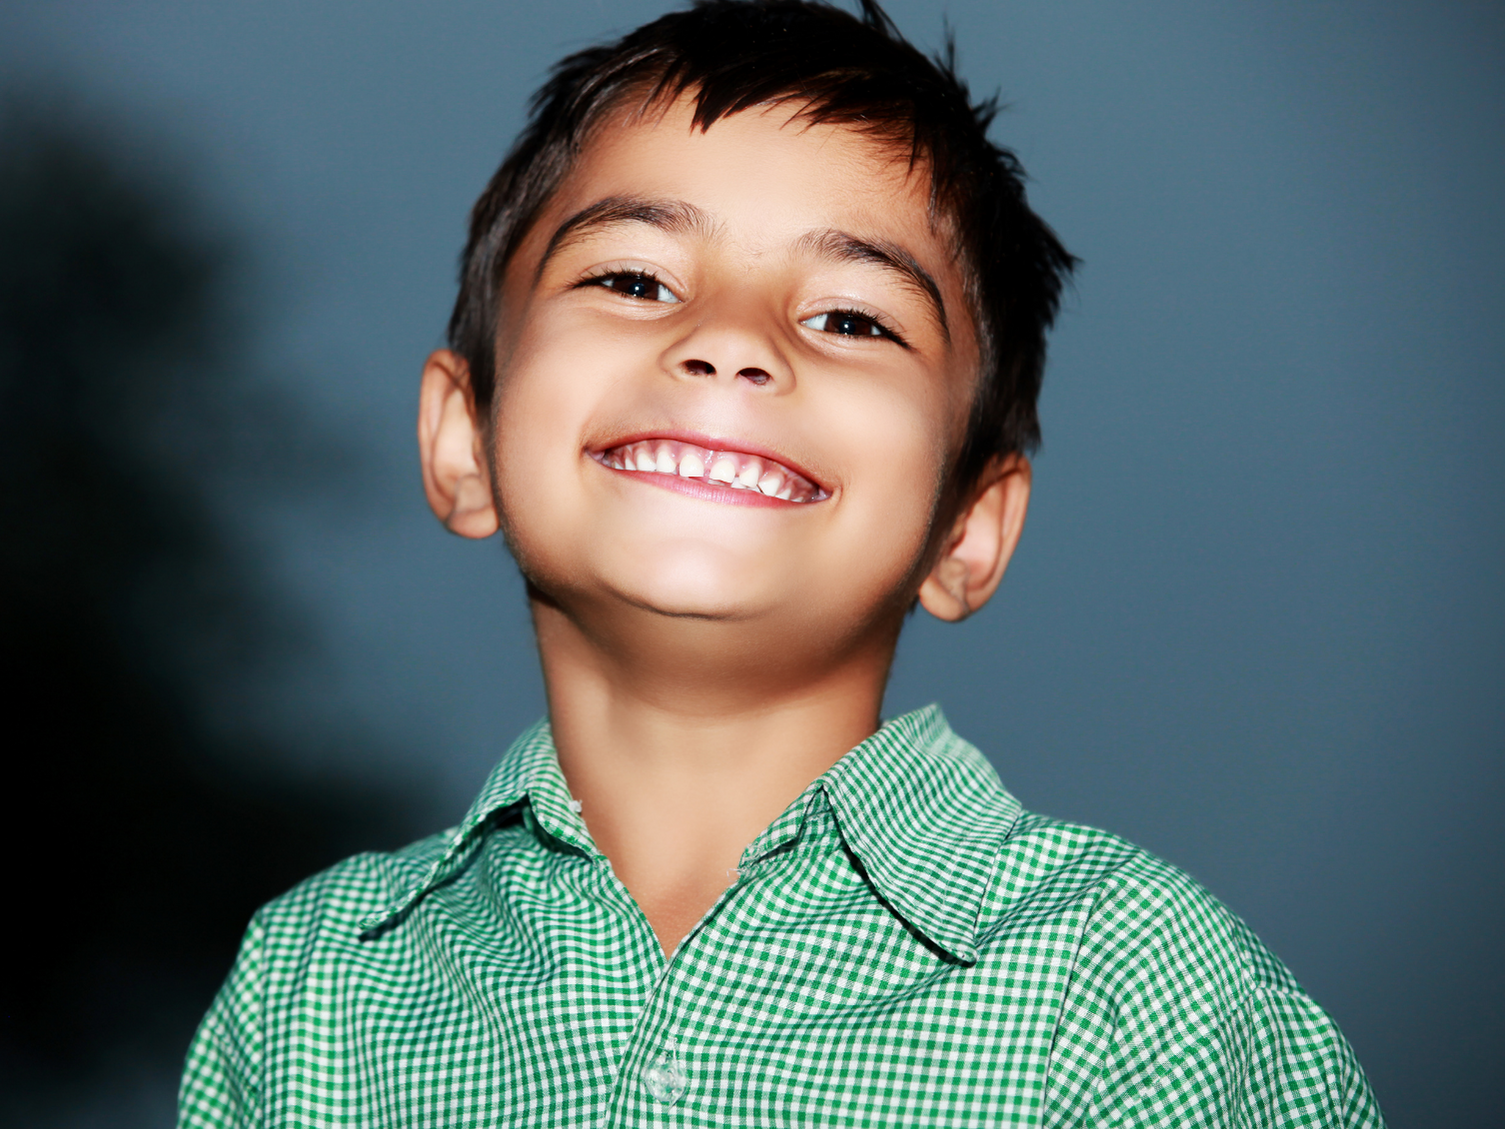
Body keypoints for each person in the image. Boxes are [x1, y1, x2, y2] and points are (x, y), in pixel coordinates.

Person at [179, 1, 1384, 1124]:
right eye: (631, 279)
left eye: (852, 317)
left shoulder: (1134, 991)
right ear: (463, 442)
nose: (727, 342)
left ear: (966, 527)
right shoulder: (315, 988)